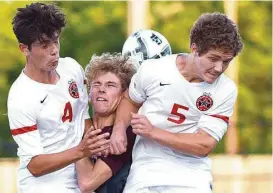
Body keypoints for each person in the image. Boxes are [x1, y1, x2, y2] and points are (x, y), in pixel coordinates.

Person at [111, 12, 243, 193]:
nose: (219, 68)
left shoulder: (226, 90)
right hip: (145, 172)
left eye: (226, 61)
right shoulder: (153, 70)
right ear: (194, 49)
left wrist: (153, 132)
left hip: (192, 177)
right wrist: (118, 129)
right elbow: (130, 99)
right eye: (213, 59)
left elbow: (204, 145)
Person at [7, 3, 109, 193]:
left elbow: (82, 116)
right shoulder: (20, 97)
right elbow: (34, 166)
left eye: (56, 41)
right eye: (45, 45)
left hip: (82, 179)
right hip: (45, 187)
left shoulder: (71, 68)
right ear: (24, 49)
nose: (54, 50)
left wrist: (97, 143)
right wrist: (81, 151)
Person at [75, 53, 137, 193]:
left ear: (123, 96)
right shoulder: (77, 126)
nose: (101, 89)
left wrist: (77, 147)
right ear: (89, 94)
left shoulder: (124, 134)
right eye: (96, 84)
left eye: (110, 85)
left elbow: (87, 183)